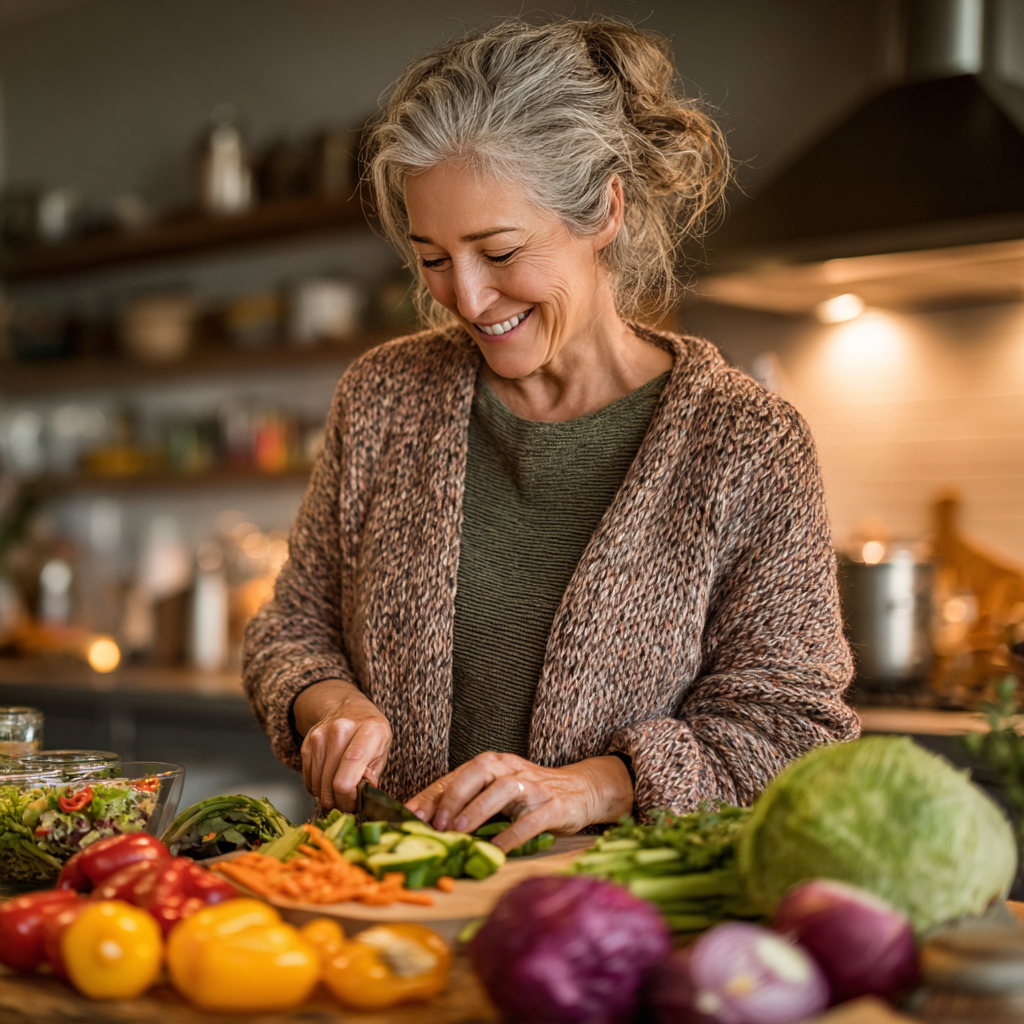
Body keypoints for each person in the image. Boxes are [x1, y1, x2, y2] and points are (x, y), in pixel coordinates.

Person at [243, 18, 860, 854]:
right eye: (431, 257)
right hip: (381, 904)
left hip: (611, 926)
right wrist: (328, 704)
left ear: (605, 208)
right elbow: (293, 627)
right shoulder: (385, 396)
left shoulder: (745, 440)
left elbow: (792, 726)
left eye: (498, 250)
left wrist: (593, 787)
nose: (465, 298)